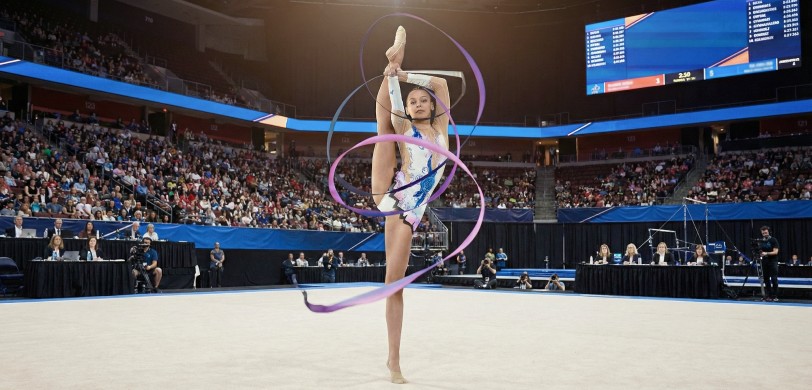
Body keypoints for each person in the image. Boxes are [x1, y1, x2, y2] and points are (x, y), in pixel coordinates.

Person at [371, 26, 450, 384]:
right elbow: (390, 101)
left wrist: (404, 74)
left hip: (417, 208)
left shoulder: (441, 129)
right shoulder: (406, 125)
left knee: (396, 283)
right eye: (413, 100)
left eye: (423, 100)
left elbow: (442, 83)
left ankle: (394, 60)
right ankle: (394, 360)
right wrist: (392, 77)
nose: (417, 103)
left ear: (433, 105)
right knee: (394, 283)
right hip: (400, 201)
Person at [758, 226, 780, 302]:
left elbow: (775, 252)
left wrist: (766, 253)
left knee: (774, 279)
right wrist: (760, 254)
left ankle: (775, 295)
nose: (764, 234)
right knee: (766, 279)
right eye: (763, 233)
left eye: (766, 232)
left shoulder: (773, 240)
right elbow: (760, 251)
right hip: (764, 262)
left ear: (768, 232)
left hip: (773, 261)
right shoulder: (761, 241)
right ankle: (769, 295)